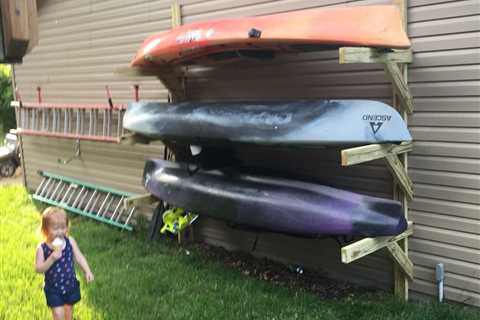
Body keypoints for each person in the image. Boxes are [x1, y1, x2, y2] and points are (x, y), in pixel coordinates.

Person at [35, 207, 94, 320]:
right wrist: (51, 258)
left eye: (63, 227)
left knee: (68, 313)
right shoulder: (42, 248)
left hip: (70, 285)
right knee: (58, 314)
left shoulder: (70, 241)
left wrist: (87, 271)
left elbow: (79, 257)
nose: (60, 232)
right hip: (53, 288)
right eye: (55, 228)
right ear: (45, 229)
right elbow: (38, 268)